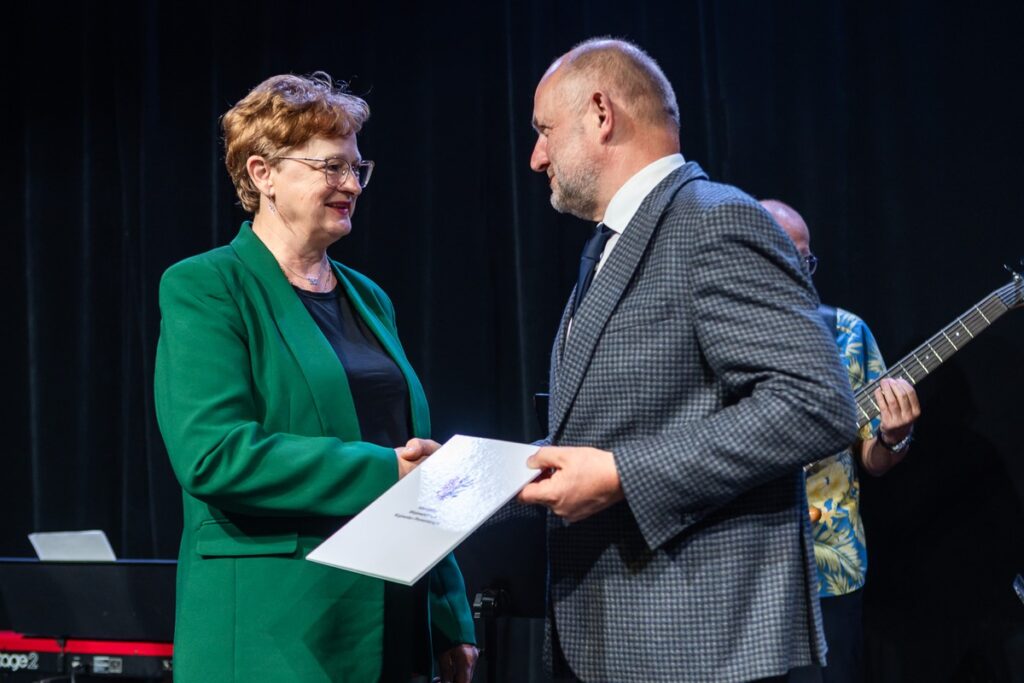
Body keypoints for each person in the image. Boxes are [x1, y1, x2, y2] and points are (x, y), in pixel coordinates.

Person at [516, 39, 859, 682]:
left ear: (600, 114)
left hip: (699, 646)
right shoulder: (615, 243)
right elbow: (614, 428)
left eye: (543, 130)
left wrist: (623, 474)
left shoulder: (715, 221)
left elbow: (816, 403)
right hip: (618, 639)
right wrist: (482, 477)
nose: (536, 156)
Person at [154, 72, 477, 683]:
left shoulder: (369, 298)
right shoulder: (206, 285)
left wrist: (448, 614)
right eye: (331, 167)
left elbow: (417, 461)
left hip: (392, 619)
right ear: (262, 173)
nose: (351, 185)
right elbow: (214, 454)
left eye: (358, 168)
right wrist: (385, 471)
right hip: (274, 627)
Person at [760, 199, 921, 683]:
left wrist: (893, 438)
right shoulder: (716, 334)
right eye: (787, 255)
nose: (800, 270)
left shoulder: (847, 333)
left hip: (830, 571)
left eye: (806, 259)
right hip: (743, 576)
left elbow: (871, 458)